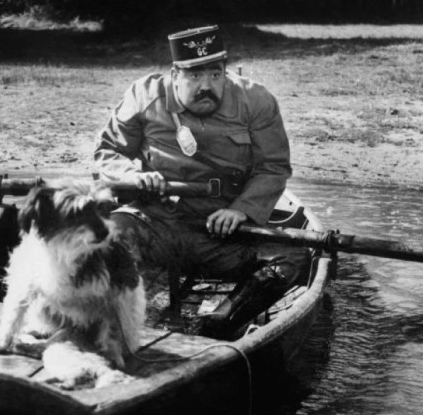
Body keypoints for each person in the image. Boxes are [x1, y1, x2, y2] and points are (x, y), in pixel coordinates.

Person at [94, 24, 310, 338]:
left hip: (221, 235)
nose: (206, 86)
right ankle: (110, 325)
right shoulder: (144, 95)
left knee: (294, 259)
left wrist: (241, 210)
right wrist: (132, 177)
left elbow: (273, 167)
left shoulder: (255, 100)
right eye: (194, 76)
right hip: (155, 224)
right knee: (105, 240)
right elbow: (107, 151)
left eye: (215, 74)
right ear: (174, 74)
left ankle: (219, 325)